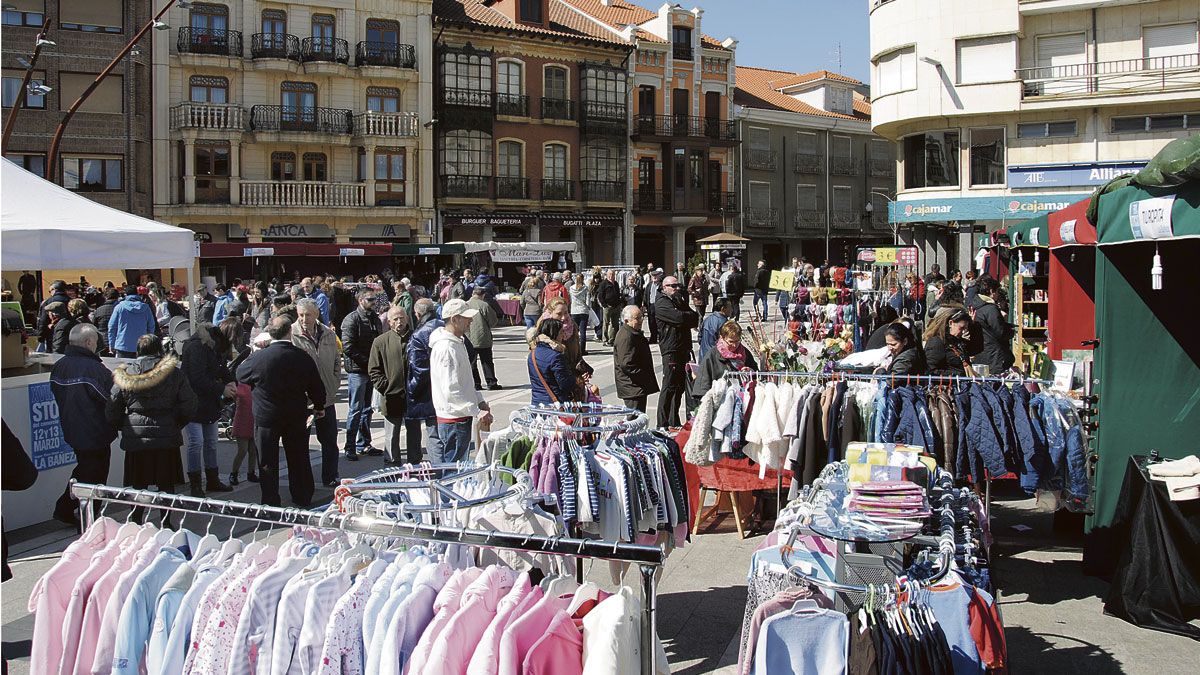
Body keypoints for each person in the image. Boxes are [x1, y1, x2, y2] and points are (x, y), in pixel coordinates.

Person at [236, 317, 326, 506]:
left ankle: (270, 499)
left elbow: (240, 374)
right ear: (289, 332)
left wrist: (255, 351)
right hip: (295, 414)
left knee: (267, 460)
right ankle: (302, 495)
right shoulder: (301, 356)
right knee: (298, 456)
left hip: (267, 415)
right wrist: (319, 406)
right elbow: (317, 386)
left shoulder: (260, 357)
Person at [108, 334, 197, 503]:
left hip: (136, 436)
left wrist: (125, 425)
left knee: (137, 485)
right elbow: (190, 404)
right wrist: (176, 423)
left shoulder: (125, 373)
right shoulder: (173, 373)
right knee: (166, 484)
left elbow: (112, 408)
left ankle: (136, 520)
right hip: (167, 434)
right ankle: (166, 522)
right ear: (159, 351)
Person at [48, 324, 117, 526]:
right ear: (88, 342)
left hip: (72, 427)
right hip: (95, 430)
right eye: (95, 342)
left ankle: (69, 509)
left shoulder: (60, 366)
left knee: (85, 470)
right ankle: (85, 515)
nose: (97, 346)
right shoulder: (94, 369)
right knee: (94, 475)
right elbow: (111, 398)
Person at [429, 299, 493, 462]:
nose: (470, 321)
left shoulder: (457, 342)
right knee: (455, 467)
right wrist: (476, 411)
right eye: (466, 318)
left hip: (459, 414)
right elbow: (451, 388)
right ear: (454, 319)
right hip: (453, 416)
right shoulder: (446, 347)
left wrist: (479, 401)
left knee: (458, 464)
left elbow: (465, 380)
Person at [179, 322, 236, 496]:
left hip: (208, 402)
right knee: (196, 442)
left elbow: (220, 368)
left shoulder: (210, 346)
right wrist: (223, 388)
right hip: (194, 402)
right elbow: (197, 378)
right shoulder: (197, 347)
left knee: (210, 442)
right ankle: (196, 484)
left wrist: (231, 381)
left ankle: (212, 479)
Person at [293, 298, 342, 485]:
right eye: (301, 315)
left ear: (317, 315)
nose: (304, 319)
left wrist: (334, 383)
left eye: (308, 315)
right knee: (301, 444)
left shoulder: (328, 334)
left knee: (329, 441)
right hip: (303, 400)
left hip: (327, 397)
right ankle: (304, 482)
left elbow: (337, 362)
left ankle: (330, 477)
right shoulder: (292, 334)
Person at [370, 306, 418, 465]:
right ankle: (391, 466)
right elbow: (374, 370)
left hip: (414, 396)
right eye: (395, 319)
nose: (399, 321)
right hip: (391, 396)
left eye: (402, 318)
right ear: (389, 322)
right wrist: (386, 387)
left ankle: (415, 466)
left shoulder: (416, 338)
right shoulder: (380, 341)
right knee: (391, 435)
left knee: (414, 434)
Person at [341, 288, 384, 461]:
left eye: (375, 299)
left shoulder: (374, 318)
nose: (374, 302)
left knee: (367, 409)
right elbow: (348, 347)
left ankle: (364, 443)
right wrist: (367, 362)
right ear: (360, 300)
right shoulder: (352, 319)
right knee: (355, 409)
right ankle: (350, 446)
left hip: (370, 370)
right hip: (358, 371)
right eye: (370, 299)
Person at [654, 276, 699, 428]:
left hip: (683, 348)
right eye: (673, 286)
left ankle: (674, 419)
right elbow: (679, 318)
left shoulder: (678, 299)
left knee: (679, 387)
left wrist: (685, 315)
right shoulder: (661, 303)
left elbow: (694, 317)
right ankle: (663, 421)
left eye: (677, 285)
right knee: (669, 386)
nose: (676, 288)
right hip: (671, 349)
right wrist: (684, 316)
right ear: (664, 287)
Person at [407, 298, 446, 463]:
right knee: (444, 435)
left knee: (434, 435)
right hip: (445, 387)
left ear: (417, 314)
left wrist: (411, 390)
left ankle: (440, 477)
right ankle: (447, 473)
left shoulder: (419, 334)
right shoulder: (445, 326)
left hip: (429, 391)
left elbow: (418, 369)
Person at [693, 321, 759, 400]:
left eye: (737, 341)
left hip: (742, 399)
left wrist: (751, 371)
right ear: (722, 338)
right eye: (731, 342)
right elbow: (703, 384)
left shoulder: (745, 353)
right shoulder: (712, 355)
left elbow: (756, 374)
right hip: (719, 401)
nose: (734, 345)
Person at [612, 306, 658, 412]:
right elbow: (627, 364)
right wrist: (643, 375)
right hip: (632, 386)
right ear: (627, 320)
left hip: (636, 385)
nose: (641, 321)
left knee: (639, 417)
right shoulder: (626, 336)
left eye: (641, 317)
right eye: (637, 318)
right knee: (634, 418)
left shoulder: (632, 332)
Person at [969, 276, 1015, 374]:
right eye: (997, 291)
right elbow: (1000, 332)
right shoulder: (990, 309)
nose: (998, 295)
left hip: (981, 351)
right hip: (993, 354)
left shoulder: (976, 306)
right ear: (991, 291)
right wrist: (1010, 330)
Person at [528, 319, 577, 404]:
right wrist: (576, 379)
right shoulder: (556, 356)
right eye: (561, 332)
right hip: (554, 404)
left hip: (537, 402)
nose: (563, 335)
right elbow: (565, 384)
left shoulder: (532, 354)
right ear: (554, 333)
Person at [924, 308, 981, 376]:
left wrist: (973, 326)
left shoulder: (956, 341)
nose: (963, 332)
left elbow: (976, 348)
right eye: (961, 328)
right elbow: (931, 370)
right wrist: (958, 375)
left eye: (965, 329)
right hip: (947, 384)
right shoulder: (936, 342)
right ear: (951, 323)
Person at [465, 287, 501, 390]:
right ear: (483, 295)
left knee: (472, 362)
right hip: (483, 337)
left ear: (472, 294)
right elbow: (493, 321)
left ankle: (476, 383)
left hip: (469, 337)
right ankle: (491, 382)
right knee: (487, 361)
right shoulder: (484, 305)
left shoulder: (465, 305)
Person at [108, 285, 158, 358]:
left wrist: (112, 344)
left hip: (122, 346)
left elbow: (112, 327)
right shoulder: (146, 308)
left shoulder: (119, 307)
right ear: (137, 294)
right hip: (142, 346)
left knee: (122, 369)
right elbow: (151, 326)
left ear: (126, 294)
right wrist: (149, 343)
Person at [35, 280, 70, 351]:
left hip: (52, 335)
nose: (50, 293)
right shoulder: (71, 301)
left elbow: (43, 321)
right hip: (69, 335)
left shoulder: (48, 302)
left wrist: (40, 337)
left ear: (54, 290)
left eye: (50, 291)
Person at [597, 269, 623, 346]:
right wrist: (604, 305)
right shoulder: (603, 284)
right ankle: (605, 339)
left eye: (613, 274)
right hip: (608, 306)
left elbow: (618, 294)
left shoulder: (616, 283)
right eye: (610, 274)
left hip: (616, 306)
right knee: (606, 323)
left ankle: (612, 339)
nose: (611, 276)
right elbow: (600, 296)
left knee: (615, 324)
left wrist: (619, 304)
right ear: (607, 275)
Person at [568, 273, 591, 356]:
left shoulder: (571, 288)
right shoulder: (585, 288)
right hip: (583, 310)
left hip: (574, 310)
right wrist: (588, 308)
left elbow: (570, 299)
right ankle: (582, 350)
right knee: (583, 332)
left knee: (574, 331)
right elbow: (588, 301)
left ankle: (574, 348)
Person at [91, 288, 120, 354]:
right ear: (118, 297)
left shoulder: (99, 310)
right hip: (117, 341)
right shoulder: (121, 309)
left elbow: (93, 326)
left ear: (105, 297)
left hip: (102, 341)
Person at [641, 269, 663, 344]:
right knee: (651, 322)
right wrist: (644, 304)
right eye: (653, 276)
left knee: (659, 322)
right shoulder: (649, 285)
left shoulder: (661, 285)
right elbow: (646, 294)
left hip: (659, 306)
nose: (654, 277)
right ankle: (653, 337)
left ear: (659, 276)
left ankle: (660, 337)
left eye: (656, 276)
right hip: (651, 306)